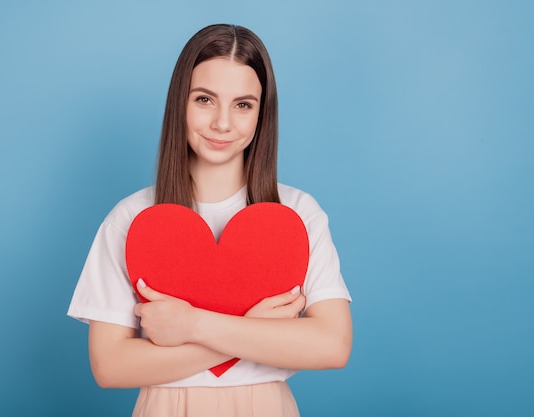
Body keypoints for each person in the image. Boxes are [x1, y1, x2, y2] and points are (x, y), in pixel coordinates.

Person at [67, 24, 352, 417]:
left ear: (261, 114)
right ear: (179, 103)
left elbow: (332, 345)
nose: (222, 123)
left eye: (243, 105)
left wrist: (193, 325)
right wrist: (253, 331)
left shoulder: (299, 213)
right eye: (204, 99)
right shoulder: (131, 219)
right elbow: (109, 366)